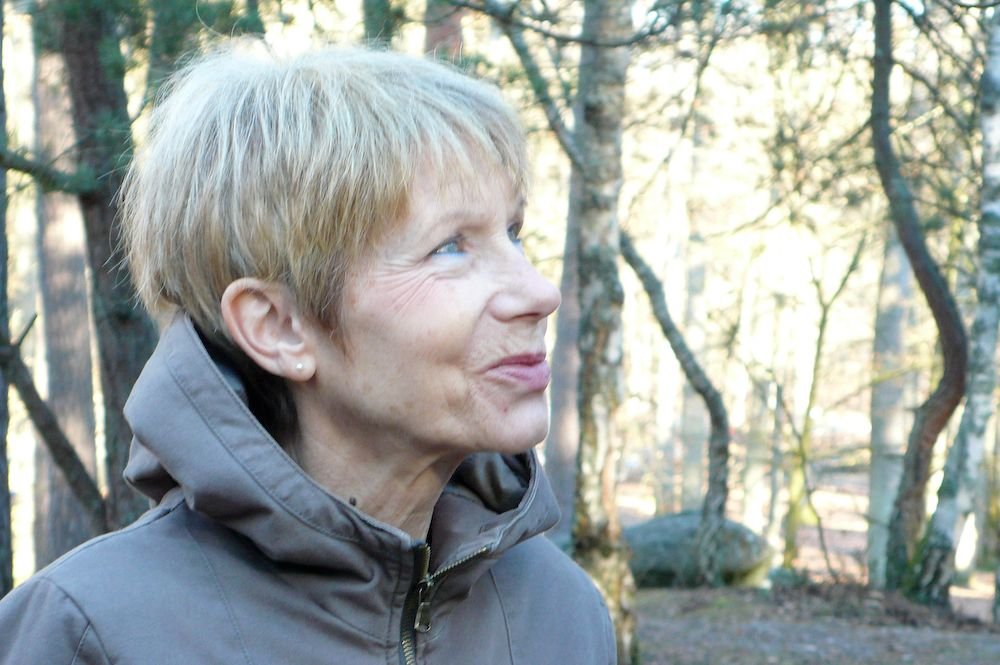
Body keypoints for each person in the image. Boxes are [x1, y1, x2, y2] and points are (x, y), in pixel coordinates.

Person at [0, 41, 615, 664]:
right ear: (278, 327)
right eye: (450, 246)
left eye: (512, 232)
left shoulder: (560, 611)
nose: (539, 291)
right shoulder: (89, 634)